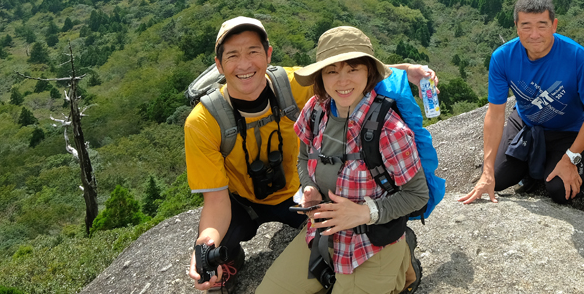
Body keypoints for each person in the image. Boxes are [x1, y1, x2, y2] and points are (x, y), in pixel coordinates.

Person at [185, 17, 434, 290]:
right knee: (234, 254)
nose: (244, 64)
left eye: (253, 52)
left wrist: (406, 71)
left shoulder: (383, 127)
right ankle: (229, 263)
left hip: (353, 228)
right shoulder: (313, 107)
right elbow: (217, 200)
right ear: (218, 64)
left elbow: (348, 73)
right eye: (233, 55)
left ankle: (399, 259)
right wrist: (205, 246)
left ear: (268, 54)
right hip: (270, 205)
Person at [257, 26, 428, 294]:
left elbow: (418, 195)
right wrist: (309, 186)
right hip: (323, 232)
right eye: (332, 71)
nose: (342, 81)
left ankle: (401, 263)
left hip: (372, 241)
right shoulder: (316, 109)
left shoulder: (390, 130)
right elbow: (303, 157)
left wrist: (364, 212)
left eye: (353, 69)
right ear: (321, 76)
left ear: (369, 73)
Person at [458, 0, 584, 205]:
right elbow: (495, 113)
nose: (534, 34)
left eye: (542, 25)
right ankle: (534, 166)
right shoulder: (503, 57)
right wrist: (487, 171)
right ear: (516, 26)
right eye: (526, 26)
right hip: (526, 123)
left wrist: (571, 158)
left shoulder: (577, 57)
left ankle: (581, 161)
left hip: (568, 129)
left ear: (554, 25)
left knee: (560, 191)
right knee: (497, 180)